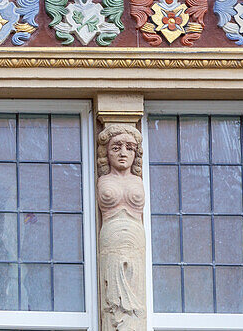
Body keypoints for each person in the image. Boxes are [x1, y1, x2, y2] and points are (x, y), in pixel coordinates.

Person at [96, 124, 146, 331]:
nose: (123, 153)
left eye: (129, 148)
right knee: (113, 298)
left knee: (135, 295)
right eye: (116, 148)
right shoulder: (103, 180)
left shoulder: (138, 180)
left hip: (136, 238)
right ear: (106, 153)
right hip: (111, 236)